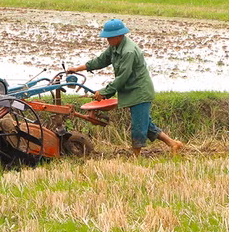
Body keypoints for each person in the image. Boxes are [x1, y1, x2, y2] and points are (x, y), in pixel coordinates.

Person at [67, 19, 184, 157]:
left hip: (139, 91)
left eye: (109, 37)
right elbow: (100, 61)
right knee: (146, 124)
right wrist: (77, 68)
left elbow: (123, 77)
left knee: (138, 126)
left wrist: (104, 93)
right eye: (107, 37)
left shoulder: (128, 51)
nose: (107, 40)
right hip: (132, 90)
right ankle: (173, 143)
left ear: (119, 36)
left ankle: (136, 157)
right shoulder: (115, 47)